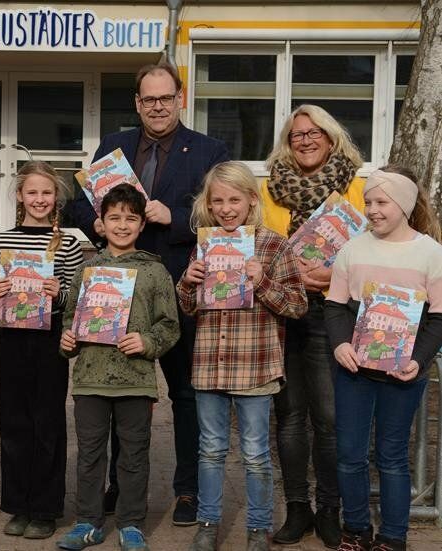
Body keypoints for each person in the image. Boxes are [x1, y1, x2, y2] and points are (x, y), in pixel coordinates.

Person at [69, 62, 228, 524]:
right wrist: (96, 222)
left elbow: (224, 215)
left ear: (180, 98)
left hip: (179, 290)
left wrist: (174, 218)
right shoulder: (114, 146)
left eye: (165, 98)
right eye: (148, 99)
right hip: (117, 292)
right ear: (137, 103)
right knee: (120, 392)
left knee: (185, 395)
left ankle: (187, 491)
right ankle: (120, 485)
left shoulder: (209, 150)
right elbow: (79, 203)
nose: (157, 107)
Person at [176, 162, 307, 551]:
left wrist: (261, 280)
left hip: (256, 367)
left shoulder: (274, 244)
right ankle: (208, 523)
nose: (227, 208)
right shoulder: (206, 244)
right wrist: (187, 282)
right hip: (210, 367)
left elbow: (298, 305)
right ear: (209, 205)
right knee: (211, 450)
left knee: (254, 453)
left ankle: (258, 527)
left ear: (252, 200)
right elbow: (188, 307)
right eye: (218, 201)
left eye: (235, 199)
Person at [261, 104, 365, 547]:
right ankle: (297, 508)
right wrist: (288, 276)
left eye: (314, 132)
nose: (305, 139)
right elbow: (258, 245)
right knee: (289, 417)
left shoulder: (357, 188)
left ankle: (329, 509)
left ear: (331, 137)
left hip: (332, 311)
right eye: (296, 134)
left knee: (329, 418)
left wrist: (338, 276)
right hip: (282, 311)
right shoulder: (267, 191)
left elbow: (372, 250)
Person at [324, 166, 442, 551]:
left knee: (392, 456)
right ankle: (356, 529)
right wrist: (341, 344)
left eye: (381, 202)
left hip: (403, 374)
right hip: (354, 370)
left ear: (405, 204)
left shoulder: (431, 253)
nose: (372, 210)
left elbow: (439, 316)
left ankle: (393, 536)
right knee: (349, 454)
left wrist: (420, 360)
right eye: (368, 201)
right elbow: (335, 305)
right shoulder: (352, 249)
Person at [58, 184, 180, 551]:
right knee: (90, 454)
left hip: (136, 380)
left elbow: (169, 324)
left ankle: (130, 523)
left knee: (134, 454)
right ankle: (87, 523)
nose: (122, 225)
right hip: (90, 379)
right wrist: (68, 341)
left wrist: (147, 342)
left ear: (142, 224)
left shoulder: (155, 272)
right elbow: (70, 319)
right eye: (114, 218)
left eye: (131, 218)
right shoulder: (88, 268)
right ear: (101, 222)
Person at [0, 162, 84, 540]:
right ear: (20, 196)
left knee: (47, 423)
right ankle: (18, 504)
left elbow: (74, 298)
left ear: (56, 197)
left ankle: (45, 508)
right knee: (13, 422)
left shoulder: (70, 244)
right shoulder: (2, 241)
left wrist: (56, 293)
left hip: (49, 341)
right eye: (32, 192)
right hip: (12, 338)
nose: (40, 199)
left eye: (46, 193)